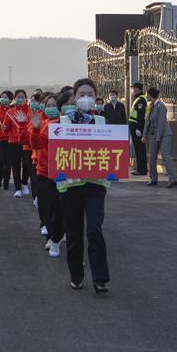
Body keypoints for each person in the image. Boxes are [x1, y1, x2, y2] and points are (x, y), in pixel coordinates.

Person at [56, 80, 112, 294]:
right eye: (81, 94)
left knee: (95, 229)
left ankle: (100, 278)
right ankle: (76, 275)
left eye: (90, 94)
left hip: (96, 184)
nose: (86, 98)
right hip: (71, 185)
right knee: (74, 232)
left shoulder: (101, 121)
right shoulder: (62, 122)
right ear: (74, 98)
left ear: (96, 96)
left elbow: (110, 149)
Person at [30, 93, 65, 258]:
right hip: (43, 170)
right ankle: (52, 235)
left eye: (55, 105)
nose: (52, 108)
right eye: (48, 105)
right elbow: (35, 144)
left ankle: (56, 236)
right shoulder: (41, 124)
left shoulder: (67, 125)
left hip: (62, 172)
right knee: (46, 207)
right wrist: (35, 129)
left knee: (59, 208)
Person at [143, 87, 177, 188]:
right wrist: (144, 135)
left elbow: (162, 123)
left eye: (147, 94)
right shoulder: (150, 106)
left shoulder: (161, 106)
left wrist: (158, 136)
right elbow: (147, 122)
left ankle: (172, 179)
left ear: (151, 95)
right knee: (152, 158)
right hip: (154, 135)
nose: (146, 96)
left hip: (164, 135)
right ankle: (153, 178)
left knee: (165, 157)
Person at [129, 82, 149, 176]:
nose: (133, 90)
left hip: (137, 126)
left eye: (134, 88)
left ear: (138, 89)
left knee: (140, 148)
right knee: (138, 148)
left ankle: (142, 169)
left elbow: (140, 115)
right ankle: (140, 168)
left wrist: (138, 128)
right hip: (134, 125)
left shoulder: (141, 100)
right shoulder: (137, 99)